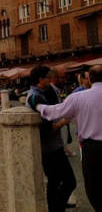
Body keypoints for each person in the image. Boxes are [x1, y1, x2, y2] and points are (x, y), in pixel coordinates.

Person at [35, 64, 101, 211]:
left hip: (93, 149)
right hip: (85, 147)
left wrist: (39, 106)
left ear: (90, 79)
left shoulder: (78, 97)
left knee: (94, 186)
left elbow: (56, 112)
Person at [25, 65, 76, 212]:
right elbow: (46, 130)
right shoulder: (35, 97)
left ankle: (58, 203)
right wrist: (64, 122)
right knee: (67, 181)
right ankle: (57, 207)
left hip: (56, 145)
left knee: (56, 181)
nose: (52, 79)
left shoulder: (50, 90)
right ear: (40, 79)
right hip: (48, 148)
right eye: (49, 77)